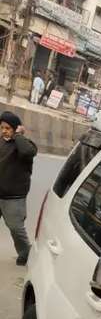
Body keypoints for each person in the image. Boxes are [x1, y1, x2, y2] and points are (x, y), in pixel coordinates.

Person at [0, 112, 36, 265]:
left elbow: (28, 152)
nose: (4, 131)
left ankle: (26, 253)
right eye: (2, 127)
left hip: (13, 197)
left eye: (8, 128)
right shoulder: (1, 142)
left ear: (16, 128)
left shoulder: (24, 144)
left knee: (16, 229)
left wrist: (18, 136)